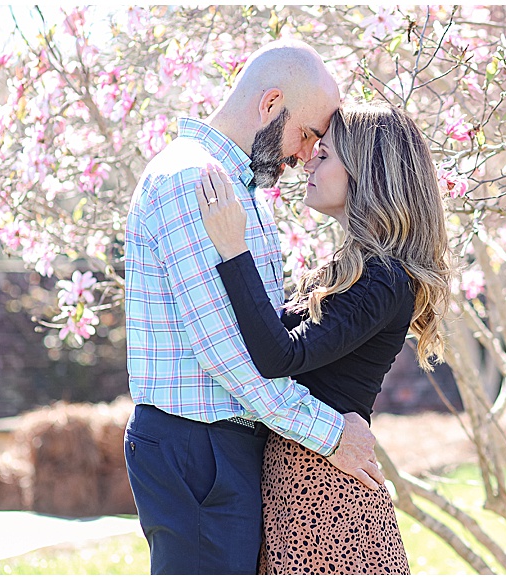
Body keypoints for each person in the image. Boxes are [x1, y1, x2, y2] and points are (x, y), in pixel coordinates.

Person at [123, 40, 384, 576]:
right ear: (270, 105)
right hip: (199, 449)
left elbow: (266, 333)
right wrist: (331, 433)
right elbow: (227, 354)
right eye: (307, 134)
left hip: (222, 447)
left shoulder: (239, 189)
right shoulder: (193, 181)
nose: (306, 153)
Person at [194, 101, 452, 574]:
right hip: (304, 486)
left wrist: (234, 250)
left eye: (326, 154)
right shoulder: (351, 271)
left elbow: (279, 354)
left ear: (366, 174)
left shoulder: (383, 279)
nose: (309, 159)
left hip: (328, 502)